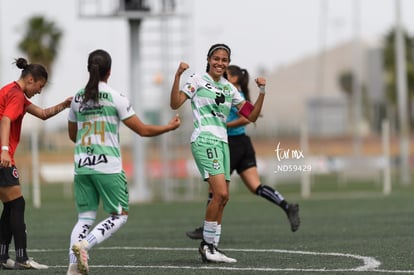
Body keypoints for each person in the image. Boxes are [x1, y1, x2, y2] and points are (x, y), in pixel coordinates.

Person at [66, 49, 180, 275]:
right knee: (119, 216)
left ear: (89, 69)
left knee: (85, 218)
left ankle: (73, 267)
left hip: (82, 166)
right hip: (107, 166)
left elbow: (73, 135)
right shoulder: (116, 97)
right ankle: (86, 244)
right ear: (109, 71)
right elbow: (143, 130)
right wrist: (169, 126)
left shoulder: (77, 98)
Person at [170, 43, 266, 263]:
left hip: (223, 143)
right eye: (216, 58)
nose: (220, 63)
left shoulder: (230, 89)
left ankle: (212, 247)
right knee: (220, 193)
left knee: (223, 198)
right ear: (209, 59)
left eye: (224, 60)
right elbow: (175, 103)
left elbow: (251, 116)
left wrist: (262, 92)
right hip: (204, 140)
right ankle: (207, 245)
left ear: (228, 63)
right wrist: (177, 76)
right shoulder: (196, 80)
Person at [185, 65, 300, 240]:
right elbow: (250, 114)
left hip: (229, 144)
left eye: (227, 74)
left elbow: (247, 117)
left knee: (217, 190)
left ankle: (207, 228)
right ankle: (287, 206)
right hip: (243, 144)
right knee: (256, 187)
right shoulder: (230, 90)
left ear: (236, 79)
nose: (223, 75)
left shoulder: (229, 91)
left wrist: (224, 124)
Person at [0, 58, 72, 270]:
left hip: (3, 154)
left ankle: (3, 256)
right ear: (30, 80)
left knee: (11, 205)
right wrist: (4, 150)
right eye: (39, 86)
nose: (39, 91)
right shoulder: (15, 95)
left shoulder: (12, 92)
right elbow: (6, 120)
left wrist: (64, 105)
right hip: (2, 156)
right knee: (17, 204)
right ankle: (22, 258)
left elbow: (42, 114)